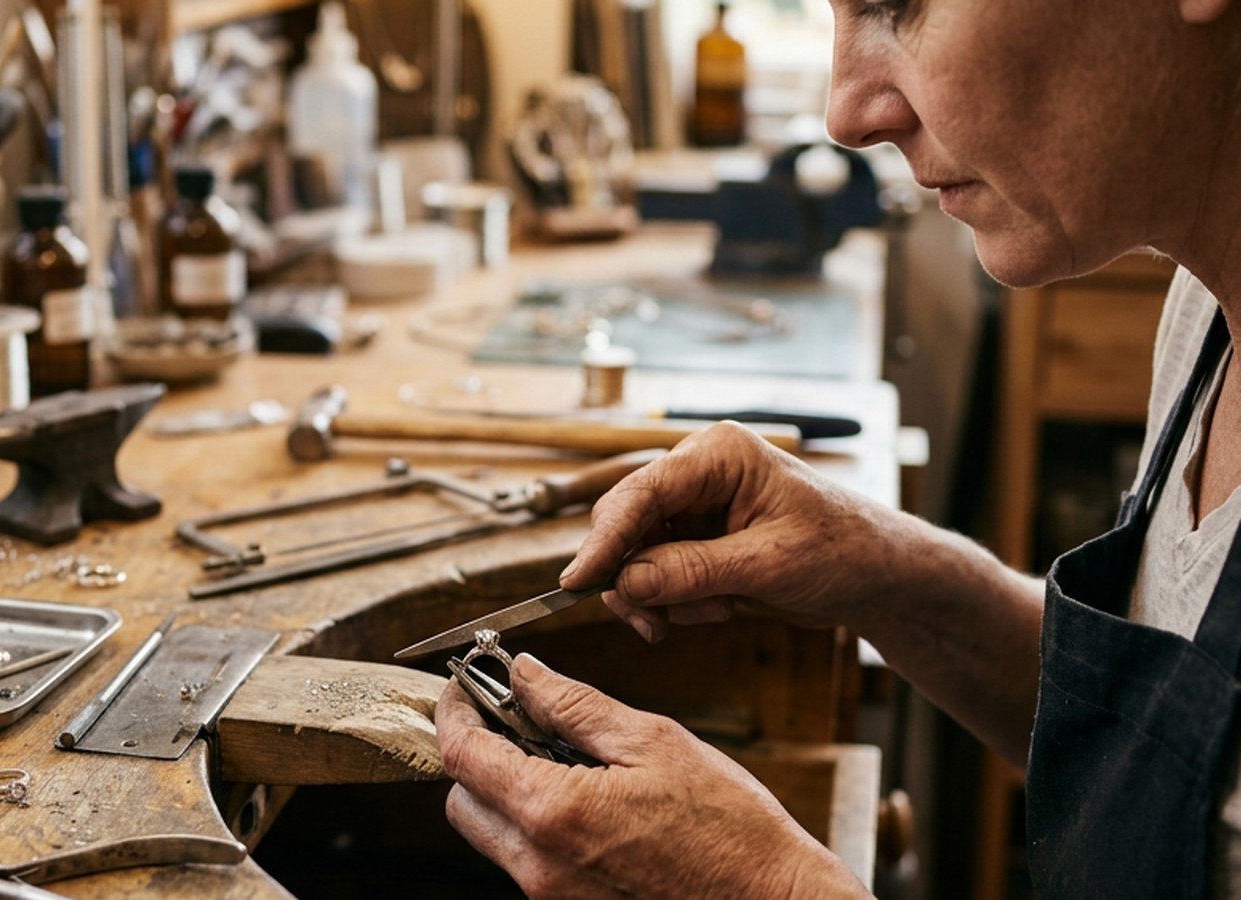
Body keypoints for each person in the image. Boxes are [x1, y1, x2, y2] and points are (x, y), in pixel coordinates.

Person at [434, 0, 1241, 896]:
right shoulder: (1204, 309)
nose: (846, 114)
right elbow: (1150, 747)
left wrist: (771, 886)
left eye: (897, 5)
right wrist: (879, 568)